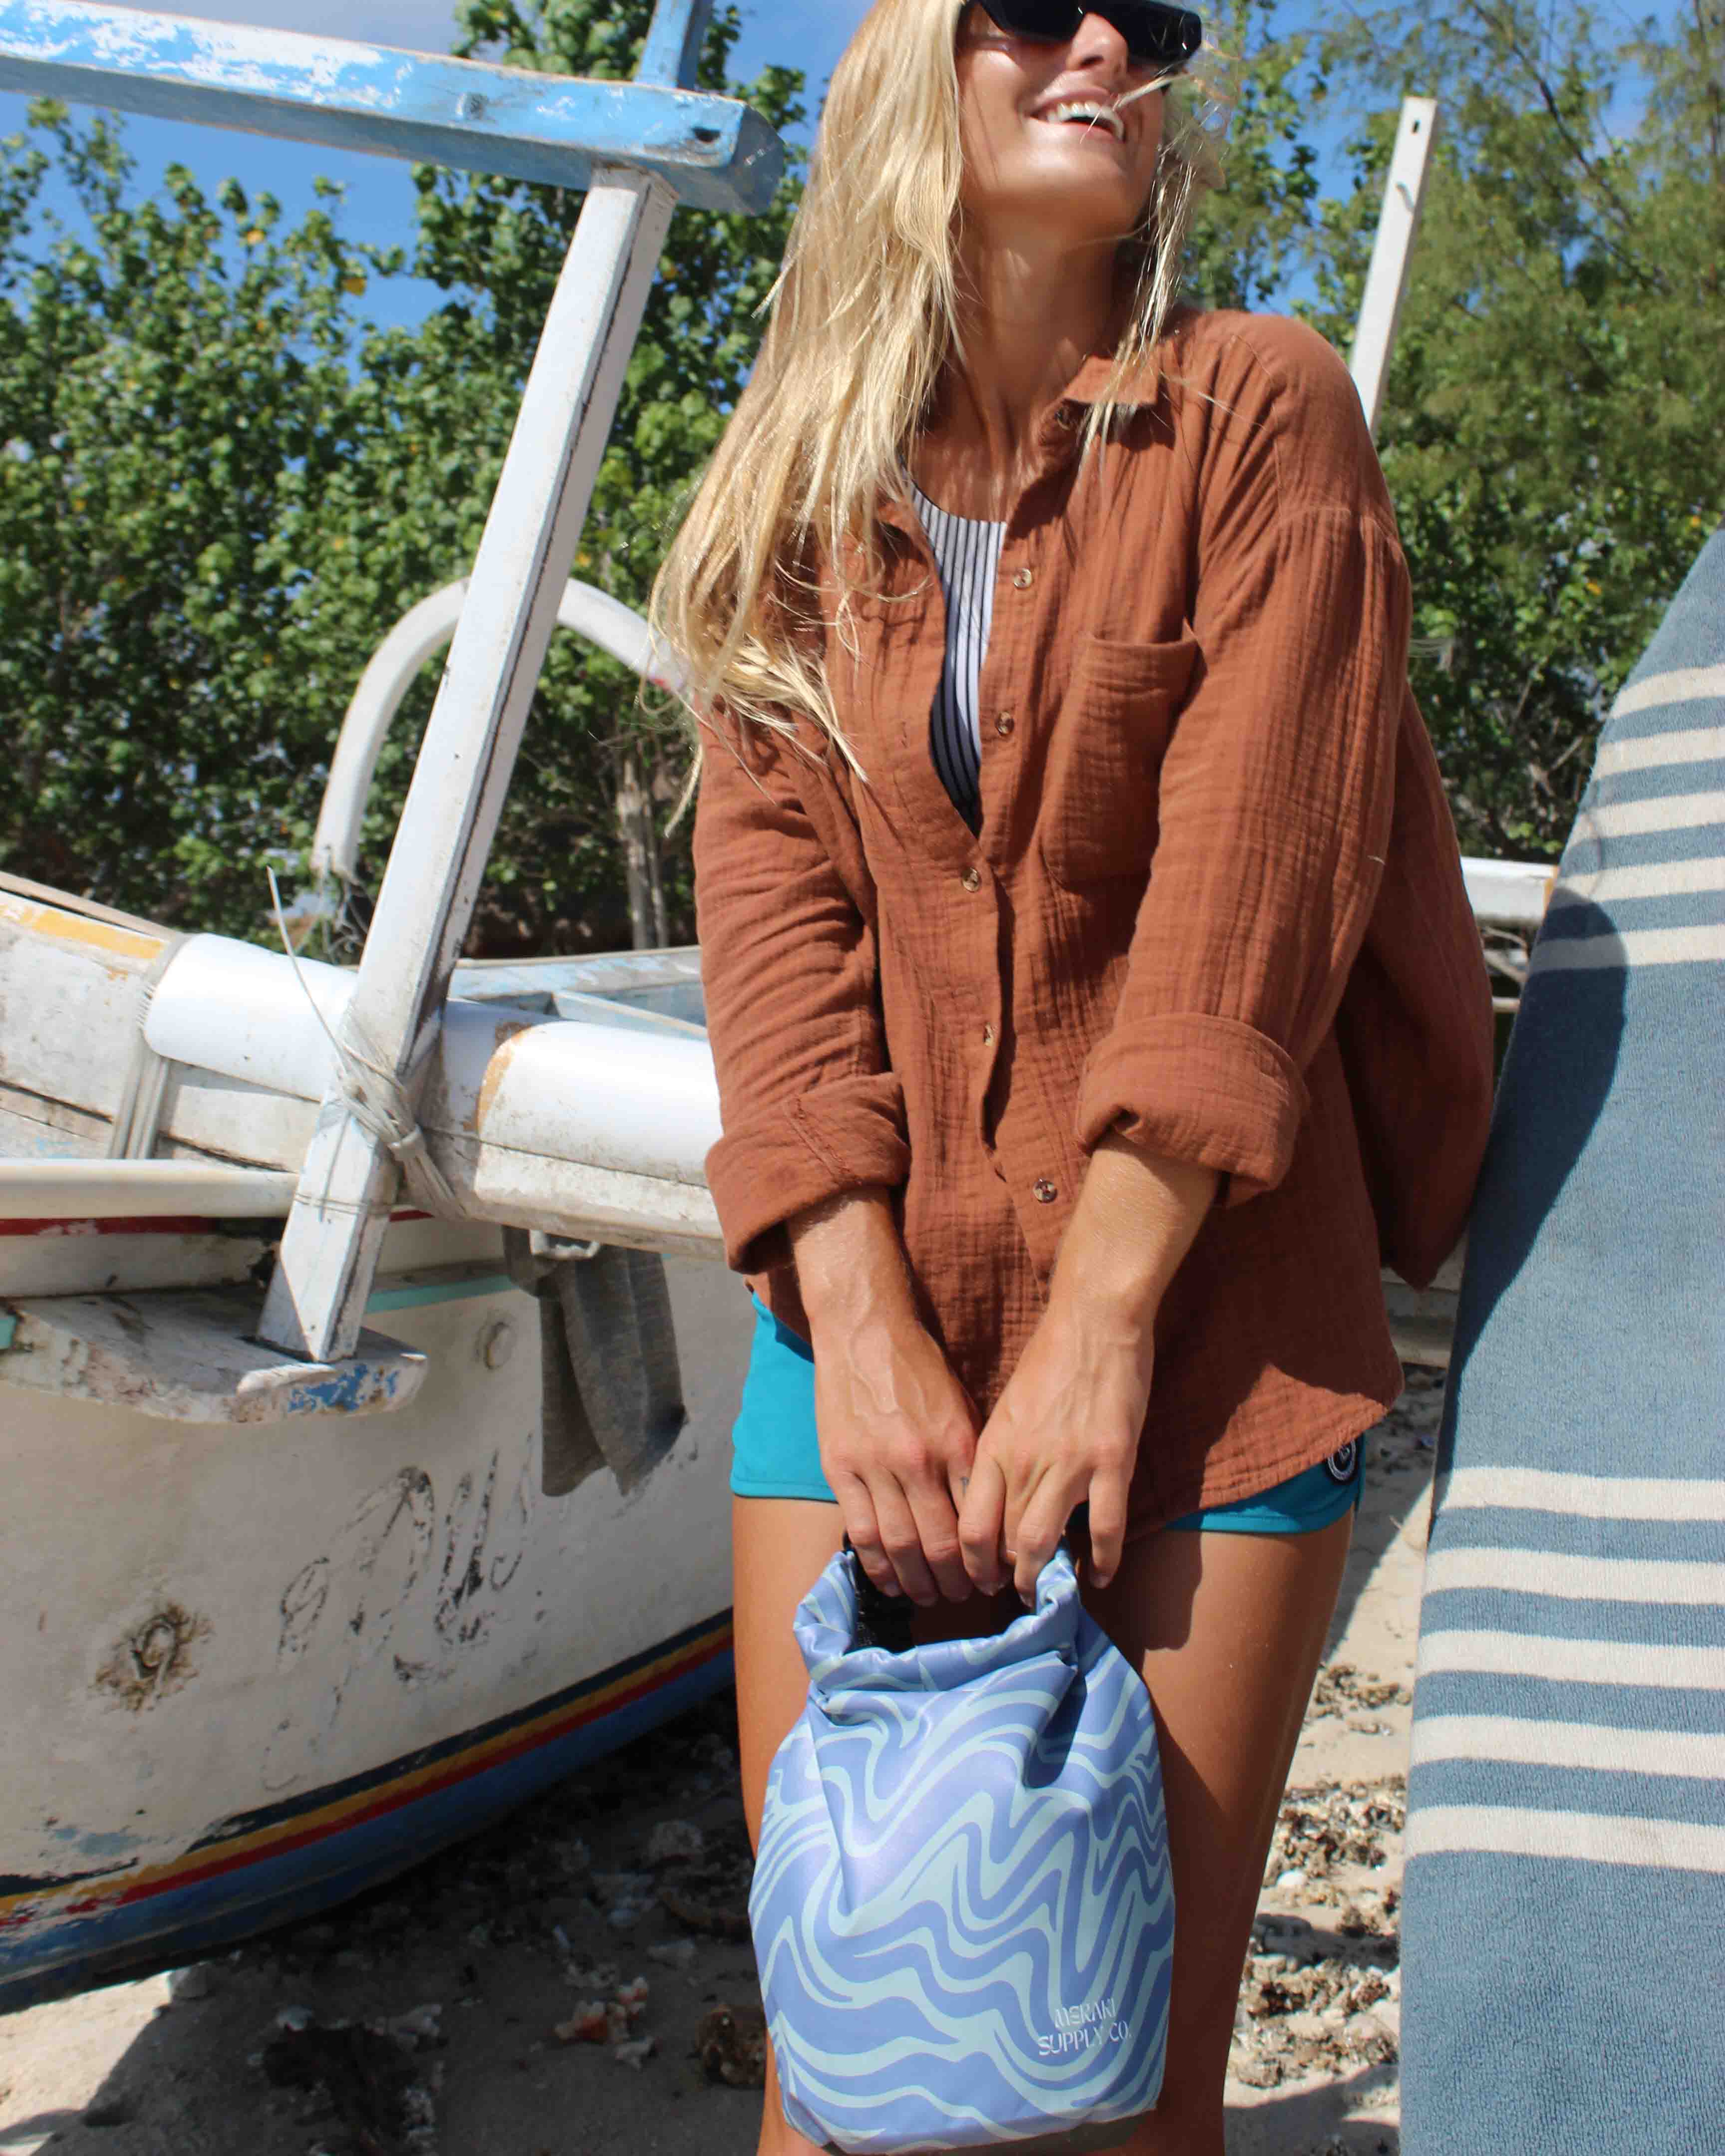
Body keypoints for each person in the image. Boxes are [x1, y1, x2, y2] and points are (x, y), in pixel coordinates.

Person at [653, 4, 1495, 2150]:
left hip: (1209, 1338)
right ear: (911, 62)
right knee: (839, 2078)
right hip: (871, 1337)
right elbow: (774, 932)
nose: (1111, 38)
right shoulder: (792, 489)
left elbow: (1258, 890)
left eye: (1155, 12)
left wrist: (1105, 1319)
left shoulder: (1260, 410)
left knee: (1111, 2092)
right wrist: (852, 1322)